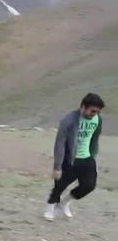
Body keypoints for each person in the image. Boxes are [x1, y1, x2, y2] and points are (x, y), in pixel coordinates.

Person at [44, 93, 104, 221]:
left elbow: (95, 137)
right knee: (60, 186)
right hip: (70, 159)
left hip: (87, 158)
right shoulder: (68, 120)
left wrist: (93, 154)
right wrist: (57, 166)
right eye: (92, 111)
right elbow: (59, 143)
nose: (94, 114)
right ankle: (50, 208)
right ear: (83, 106)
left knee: (89, 186)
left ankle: (64, 203)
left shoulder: (97, 119)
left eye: (97, 112)